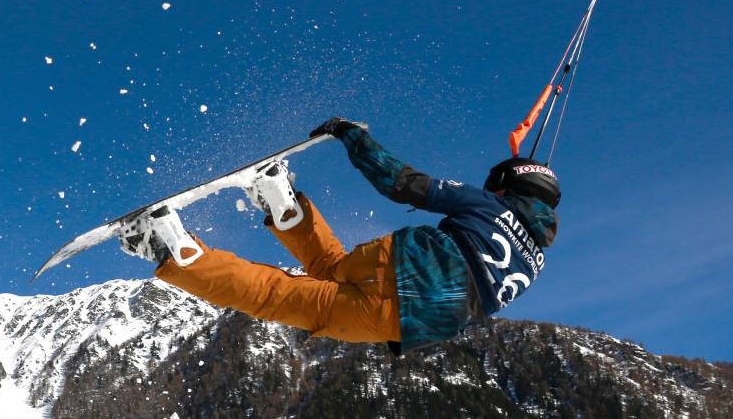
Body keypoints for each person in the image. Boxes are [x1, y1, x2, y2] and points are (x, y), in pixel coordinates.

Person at [120, 118, 560, 354]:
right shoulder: (536, 265)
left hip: (395, 265)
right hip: (405, 322)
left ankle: (279, 196)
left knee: (332, 268)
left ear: (506, 186)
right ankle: (168, 245)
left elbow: (401, 183)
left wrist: (351, 135)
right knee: (275, 297)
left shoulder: (490, 205)